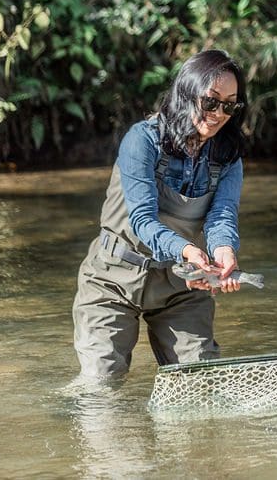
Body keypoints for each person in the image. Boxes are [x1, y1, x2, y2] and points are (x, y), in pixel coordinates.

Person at [72, 49, 248, 379]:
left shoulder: (229, 155)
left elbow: (222, 215)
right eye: (211, 101)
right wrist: (188, 249)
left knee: (200, 381)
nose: (219, 114)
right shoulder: (142, 140)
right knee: (101, 385)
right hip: (111, 281)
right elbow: (142, 220)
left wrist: (224, 251)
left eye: (229, 105)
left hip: (181, 286)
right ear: (186, 92)